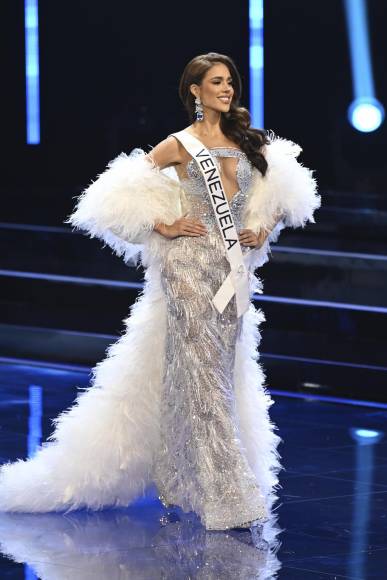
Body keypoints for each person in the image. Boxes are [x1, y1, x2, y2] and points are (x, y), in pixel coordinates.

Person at [0, 53, 320, 537]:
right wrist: (163, 224)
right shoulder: (177, 145)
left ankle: (178, 475)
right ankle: (222, 490)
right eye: (216, 82)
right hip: (188, 270)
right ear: (195, 90)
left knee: (217, 372)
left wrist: (261, 228)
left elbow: (281, 198)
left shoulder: (247, 143)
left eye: (230, 81)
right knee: (201, 376)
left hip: (230, 272)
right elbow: (107, 200)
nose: (227, 89)